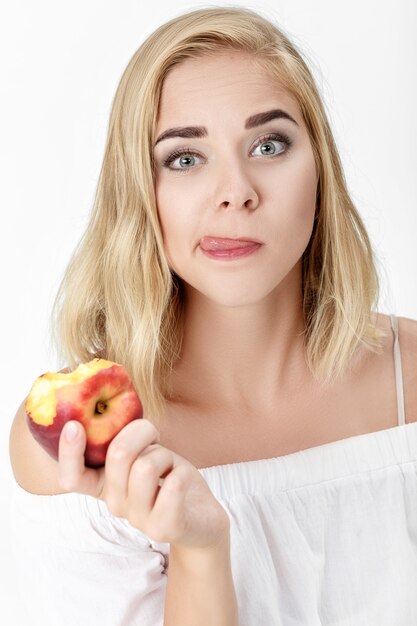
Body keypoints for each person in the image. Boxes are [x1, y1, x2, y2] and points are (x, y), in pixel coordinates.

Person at [8, 5, 417, 626]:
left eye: (269, 144)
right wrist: (199, 550)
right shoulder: (80, 446)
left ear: (321, 176)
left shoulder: (407, 378)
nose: (236, 190)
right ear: (140, 195)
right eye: (184, 158)